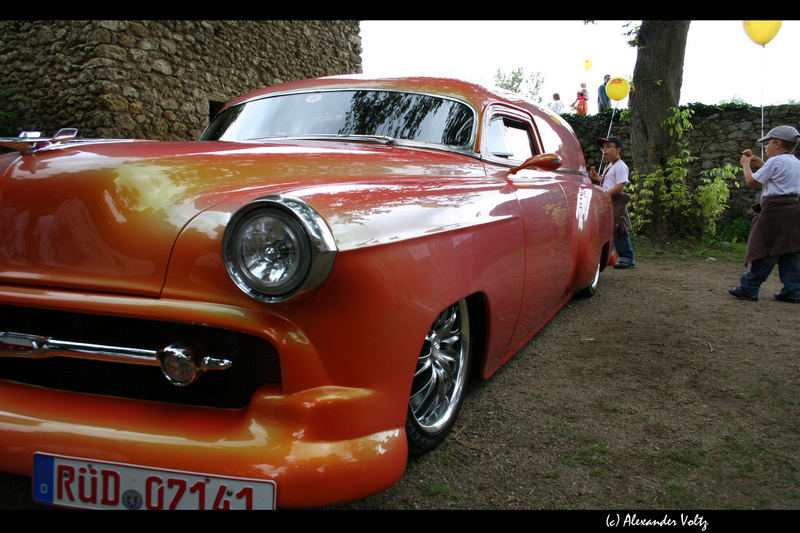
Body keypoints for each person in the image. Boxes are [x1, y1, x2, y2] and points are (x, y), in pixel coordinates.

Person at [728, 125, 800, 303]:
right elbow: (779, 178)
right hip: (794, 211)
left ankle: (749, 288)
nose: (765, 147)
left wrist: (746, 165)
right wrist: (761, 165)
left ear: (777, 143)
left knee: (765, 248)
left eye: (767, 143)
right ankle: (793, 290)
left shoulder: (775, 162)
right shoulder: (796, 162)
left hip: (775, 212)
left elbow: (751, 181)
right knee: (790, 250)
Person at [589, 137, 635, 268]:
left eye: (609, 147)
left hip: (616, 200)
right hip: (609, 200)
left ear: (618, 149)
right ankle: (618, 255)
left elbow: (620, 185)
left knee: (620, 228)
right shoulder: (609, 165)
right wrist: (598, 178)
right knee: (612, 228)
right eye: (604, 147)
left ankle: (627, 258)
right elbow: (608, 183)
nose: (605, 150)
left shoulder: (621, 166)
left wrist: (606, 195)